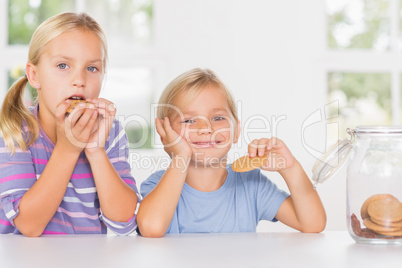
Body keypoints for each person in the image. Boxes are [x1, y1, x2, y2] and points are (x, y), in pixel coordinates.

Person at [137, 68, 326, 237]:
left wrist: (291, 168)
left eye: (218, 118)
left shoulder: (250, 184)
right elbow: (152, 227)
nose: (206, 128)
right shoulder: (157, 185)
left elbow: (313, 223)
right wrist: (181, 156)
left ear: (236, 131)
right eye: (189, 120)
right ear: (164, 134)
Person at [0, 12, 139, 237]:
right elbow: (28, 225)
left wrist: (96, 152)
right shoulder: (13, 131)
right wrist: (68, 149)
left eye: (92, 68)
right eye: (63, 65)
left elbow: (125, 223)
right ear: (34, 76)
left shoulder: (109, 132)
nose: (80, 80)